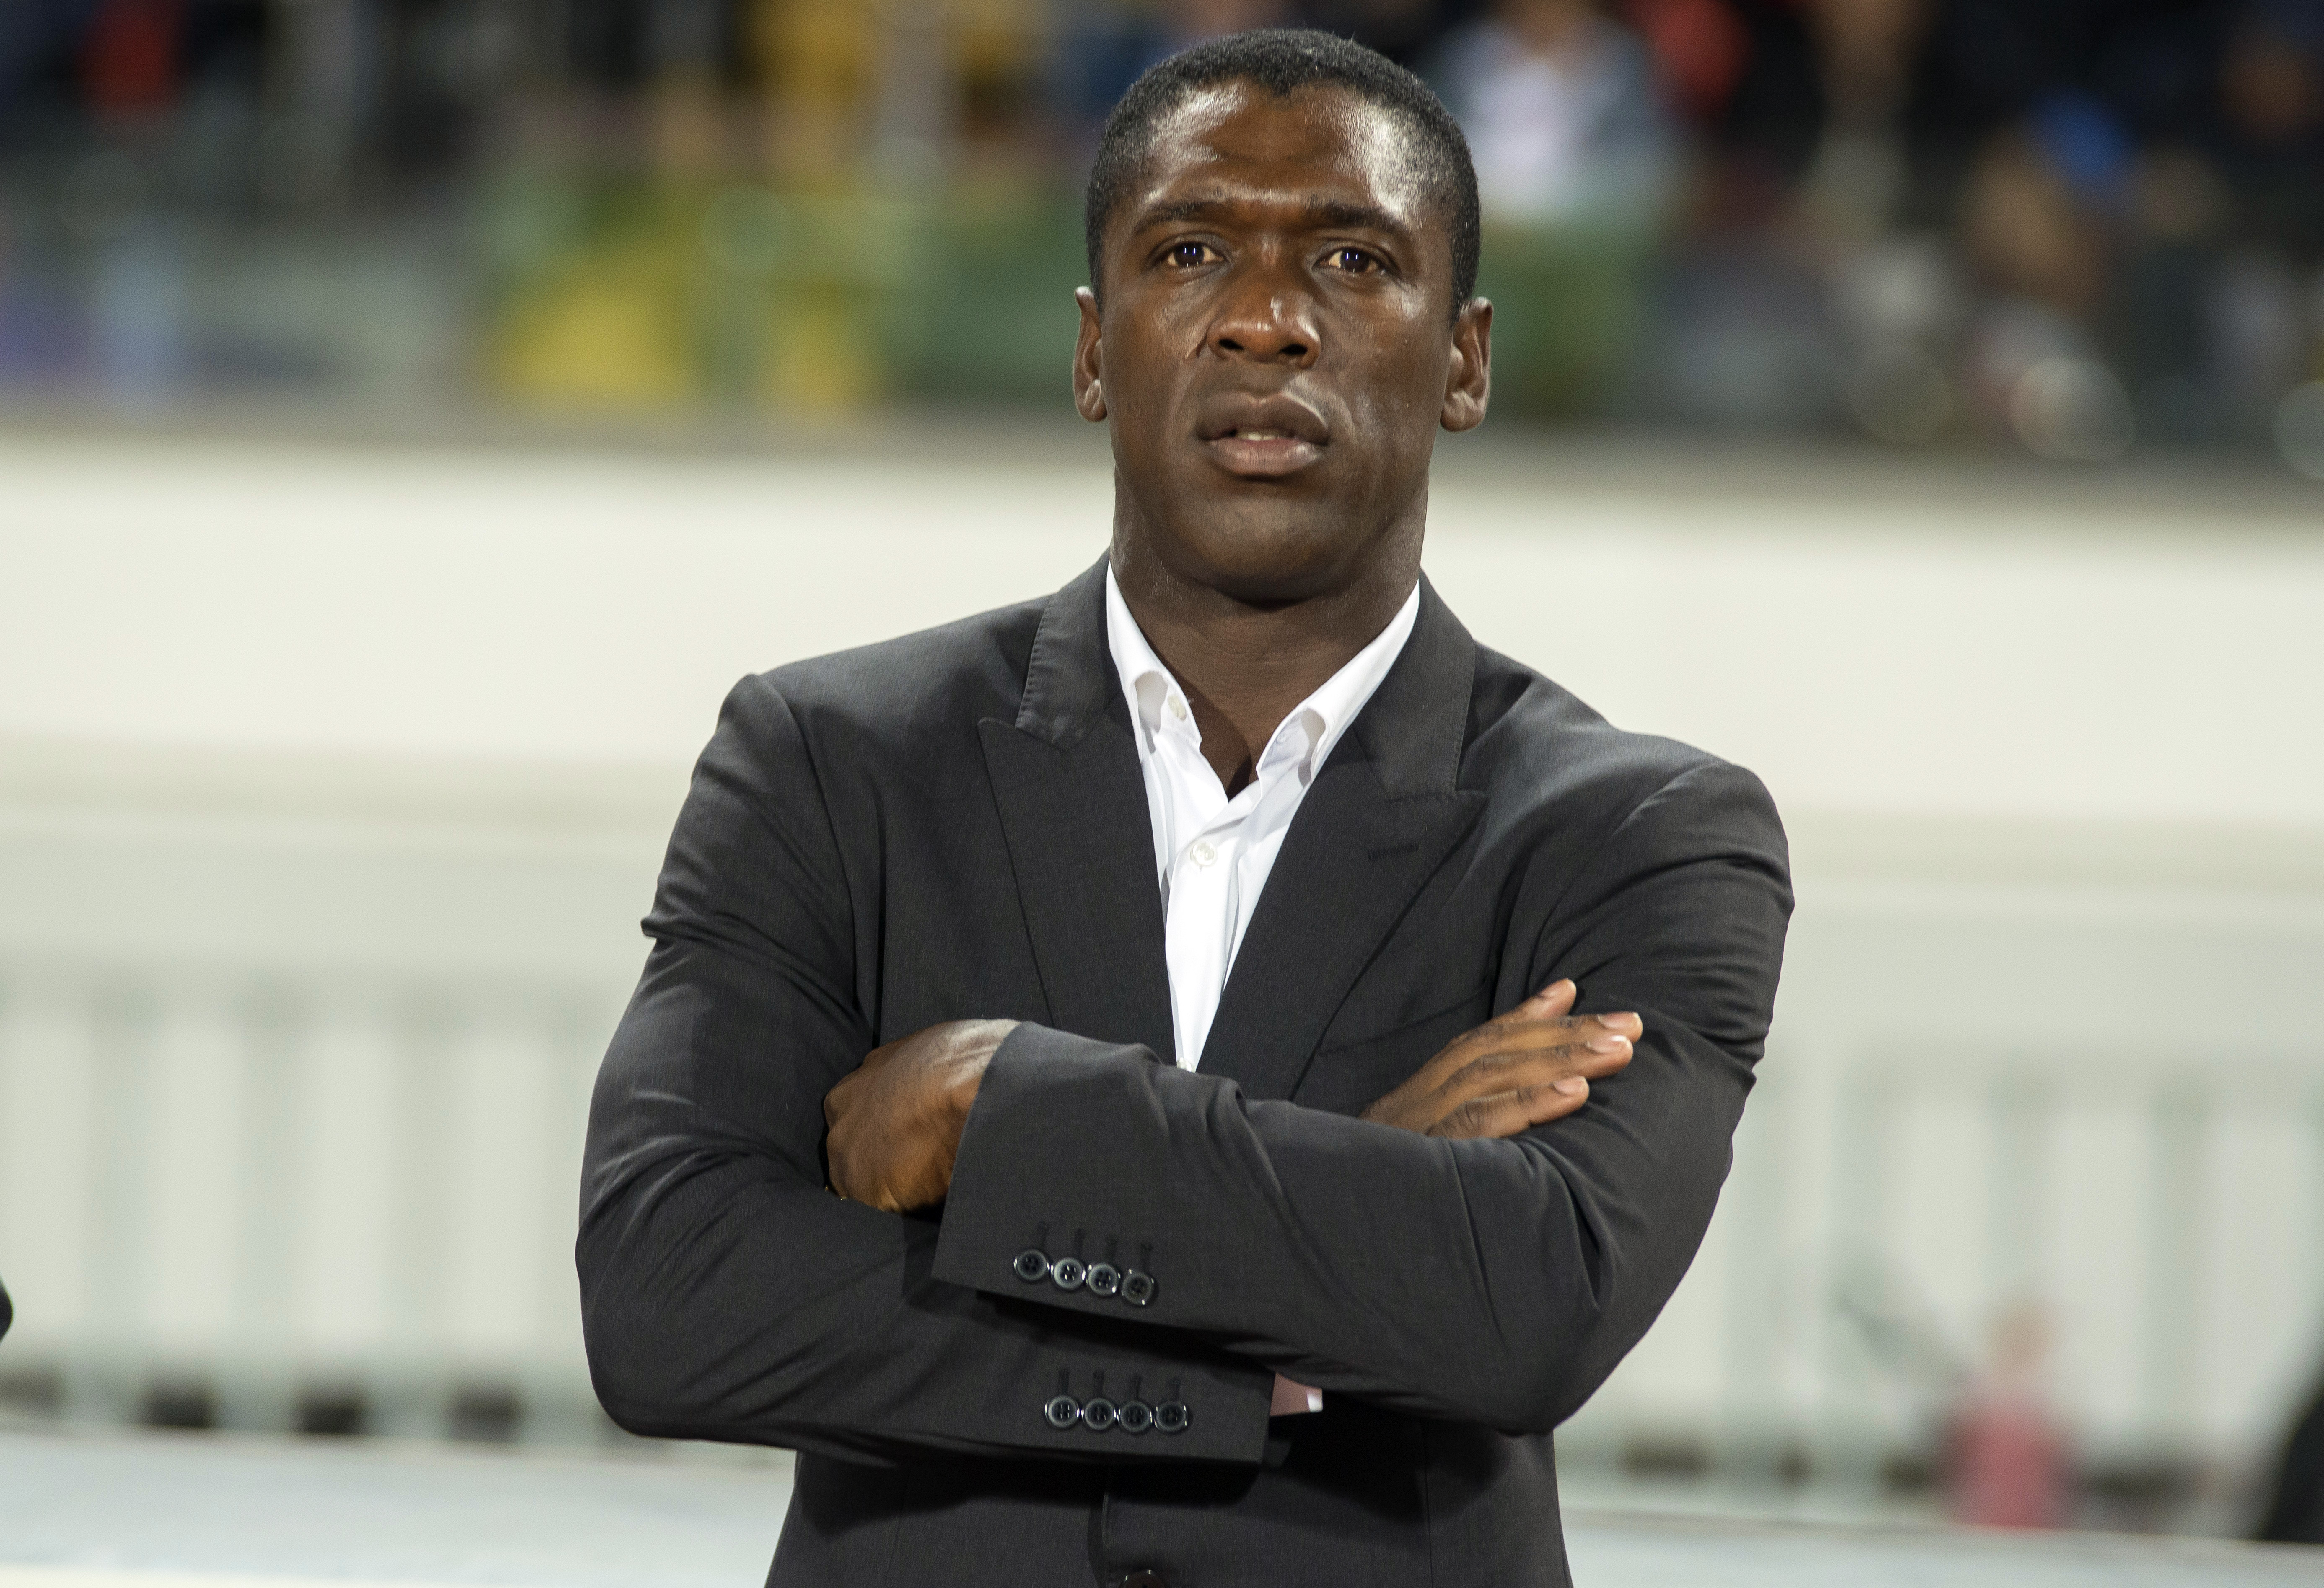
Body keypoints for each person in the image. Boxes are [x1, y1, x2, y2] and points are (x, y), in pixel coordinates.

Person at [579, 28, 1790, 1587]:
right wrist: (1326, 1226)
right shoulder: (830, 756)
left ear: (1466, 358)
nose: (1269, 319)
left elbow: (1525, 1306)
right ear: (1094, 349)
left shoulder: (1643, 831)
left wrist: (997, 1100)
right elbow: (671, 1302)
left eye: (1353, 257)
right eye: (1192, 248)